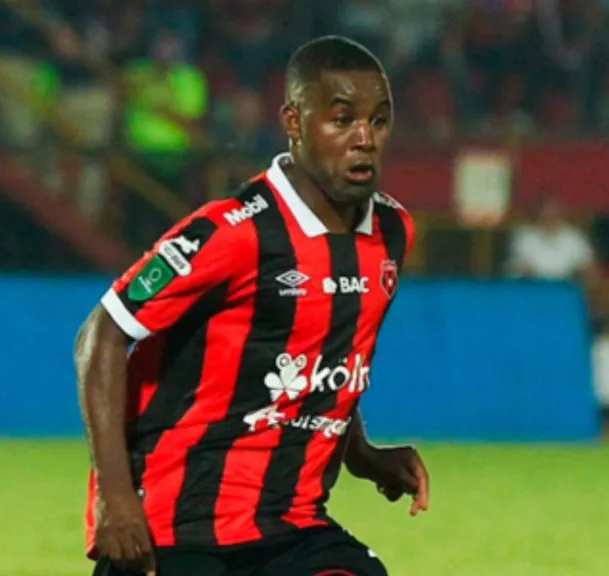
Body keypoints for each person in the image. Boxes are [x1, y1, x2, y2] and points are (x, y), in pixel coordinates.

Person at [75, 36, 430, 576]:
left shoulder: (392, 232)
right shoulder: (233, 231)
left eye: (378, 121)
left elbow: (323, 360)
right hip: (175, 527)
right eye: (342, 121)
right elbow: (101, 334)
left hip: (292, 526)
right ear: (294, 120)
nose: (364, 139)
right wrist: (116, 499)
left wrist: (362, 453)